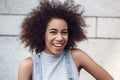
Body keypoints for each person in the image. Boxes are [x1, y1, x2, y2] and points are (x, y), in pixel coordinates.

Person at [18, 0, 114, 80]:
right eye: (53, 32)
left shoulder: (77, 56)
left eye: (64, 32)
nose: (60, 38)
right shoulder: (28, 65)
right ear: (42, 34)